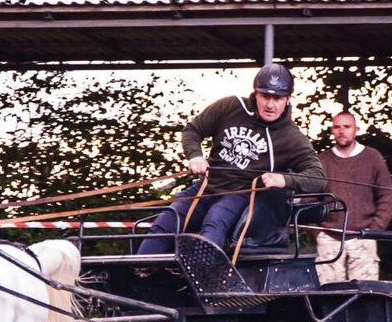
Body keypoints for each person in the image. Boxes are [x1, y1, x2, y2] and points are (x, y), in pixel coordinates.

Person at [136, 63, 326, 254]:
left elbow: (318, 177)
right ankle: (139, 269)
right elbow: (193, 130)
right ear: (256, 94)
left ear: (287, 99)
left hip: (241, 194)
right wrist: (195, 156)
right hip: (206, 187)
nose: (270, 105)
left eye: (277, 98)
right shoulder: (230, 107)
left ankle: (206, 270)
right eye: (265, 96)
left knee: (214, 222)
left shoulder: (291, 137)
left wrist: (284, 179)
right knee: (168, 220)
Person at [315, 111, 392, 283]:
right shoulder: (321, 160)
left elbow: (387, 196)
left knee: (365, 294)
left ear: (356, 129)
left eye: (347, 126)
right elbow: (309, 199)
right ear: (332, 130)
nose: (341, 131)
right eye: (337, 127)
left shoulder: (372, 157)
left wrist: (374, 229)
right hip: (329, 239)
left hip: (363, 237)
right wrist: (318, 233)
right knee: (328, 294)